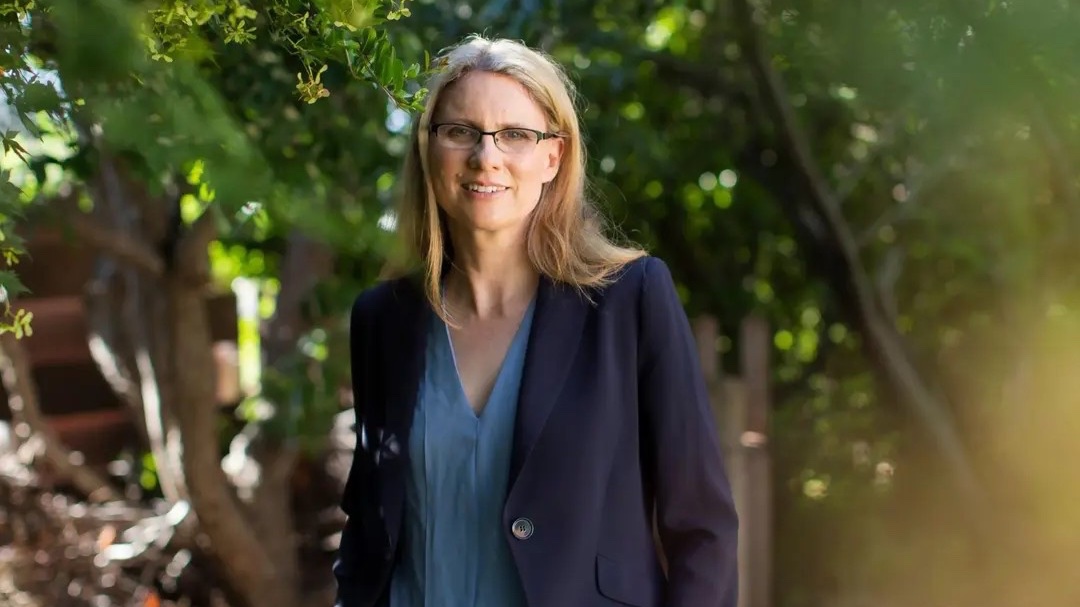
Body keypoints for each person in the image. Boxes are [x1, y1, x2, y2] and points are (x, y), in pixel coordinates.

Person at [334, 34, 738, 607]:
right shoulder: (382, 320)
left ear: (554, 157)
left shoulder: (630, 300)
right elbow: (368, 527)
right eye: (460, 131)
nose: (486, 156)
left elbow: (703, 530)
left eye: (517, 136)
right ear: (428, 147)